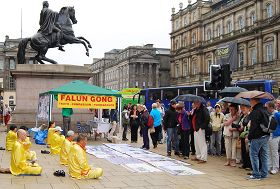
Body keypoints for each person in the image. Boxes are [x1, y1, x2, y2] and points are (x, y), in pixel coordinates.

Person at [247, 98, 270, 180]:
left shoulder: (256, 111)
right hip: (266, 135)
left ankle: (256, 174)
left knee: (254, 155)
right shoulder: (265, 110)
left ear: (254, 101)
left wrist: (249, 136)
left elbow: (254, 126)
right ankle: (264, 173)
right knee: (264, 155)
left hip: (257, 136)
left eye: (250, 101)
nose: (250, 102)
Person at [266, 101, 280, 175]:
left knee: (274, 152)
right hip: (269, 135)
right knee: (269, 151)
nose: (266, 108)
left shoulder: (277, 114)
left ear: (271, 108)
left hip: (275, 135)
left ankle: (275, 167)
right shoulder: (269, 114)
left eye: (267, 107)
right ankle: (270, 166)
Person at [239, 104, 252, 170]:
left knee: (248, 150)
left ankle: (249, 165)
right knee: (243, 149)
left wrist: (247, 136)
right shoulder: (243, 116)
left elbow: (250, 127)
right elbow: (241, 124)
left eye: (244, 109)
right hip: (242, 134)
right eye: (242, 108)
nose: (243, 110)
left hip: (247, 135)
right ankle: (244, 163)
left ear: (248, 109)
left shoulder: (250, 116)